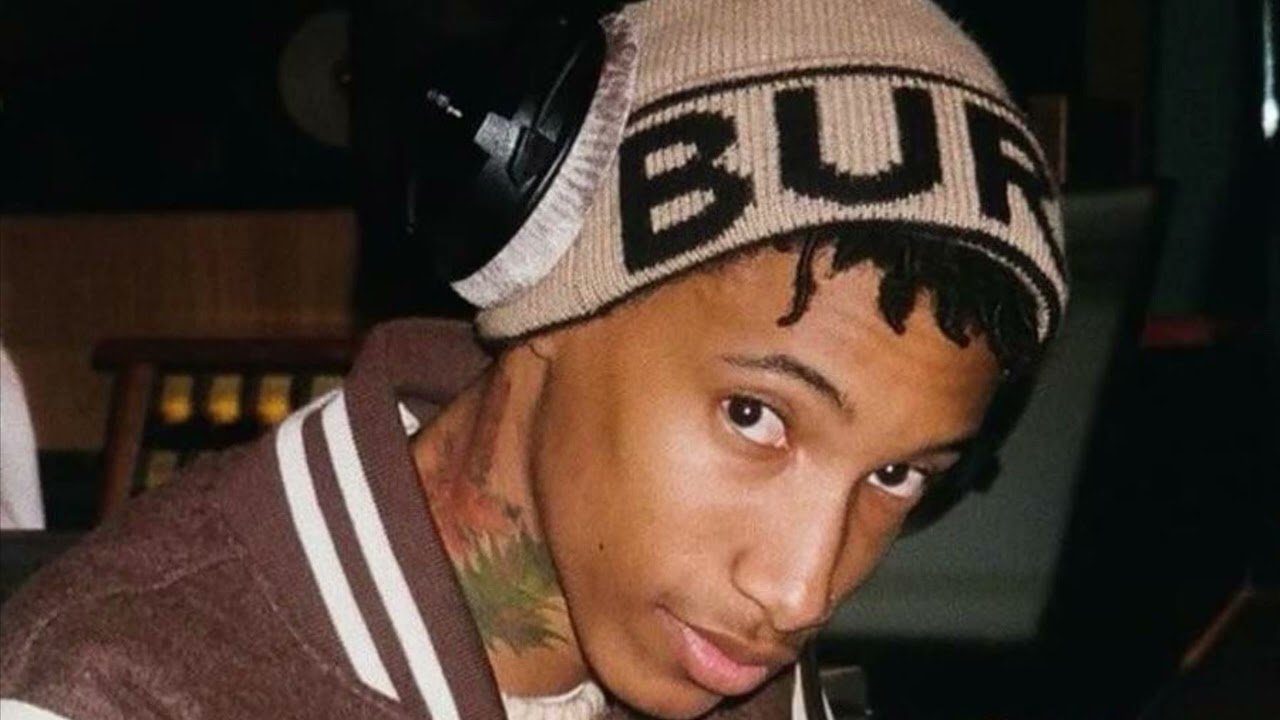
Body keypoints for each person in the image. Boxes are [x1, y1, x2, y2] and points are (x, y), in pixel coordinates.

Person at [0, 0, 1067, 718]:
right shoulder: (122, 690)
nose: (799, 591)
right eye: (755, 416)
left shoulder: (722, 654)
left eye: (895, 474)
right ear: (544, 287)